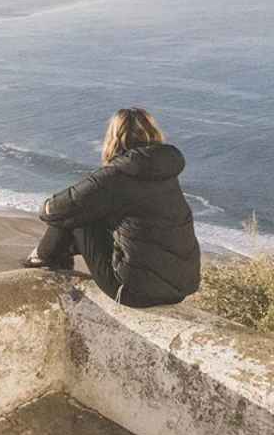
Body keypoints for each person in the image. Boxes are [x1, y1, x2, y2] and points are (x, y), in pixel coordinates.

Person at [24, 108, 201, 307]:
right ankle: (48, 258)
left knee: (76, 216)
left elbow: (57, 209)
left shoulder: (117, 175)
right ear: (154, 133)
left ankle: (40, 260)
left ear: (114, 137)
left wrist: (47, 208)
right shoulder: (165, 172)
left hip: (135, 291)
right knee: (90, 211)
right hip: (181, 287)